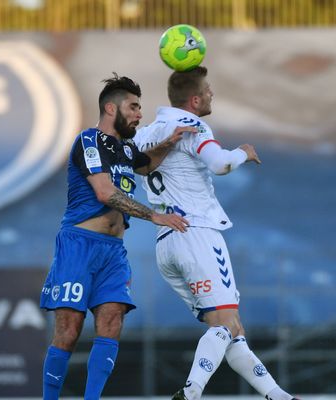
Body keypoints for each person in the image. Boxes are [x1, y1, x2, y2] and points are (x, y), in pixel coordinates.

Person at [134, 66, 296, 400]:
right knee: (225, 325)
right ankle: (191, 392)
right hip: (198, 234)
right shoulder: (192, 124)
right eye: (208, 90)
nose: (212, 94)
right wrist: (244, 152)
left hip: (167, 242)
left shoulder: (146, 133)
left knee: (231, 330)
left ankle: (279, 396)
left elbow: (136, 166)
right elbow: (220, 163)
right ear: (194, 99)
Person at [40, 73, 195, 400]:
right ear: (111, 108)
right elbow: (104, 192)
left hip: (113, 251)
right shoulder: (88, 141)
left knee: (112, 322)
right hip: (79, 246)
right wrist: (155, 215)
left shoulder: (126, 148)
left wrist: (171, 141)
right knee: (68, 332)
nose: (140, 114)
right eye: (134, 107)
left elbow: (145, 164)